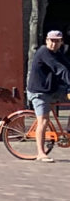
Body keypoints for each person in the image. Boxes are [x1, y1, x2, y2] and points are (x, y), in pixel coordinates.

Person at [27, 30, 70, 162]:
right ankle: (41, 153)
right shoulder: (44, 52)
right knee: (44, 121)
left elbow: (67, 66)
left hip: (52, 89)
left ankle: (68, 131)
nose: (53, 43)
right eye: (51, 40)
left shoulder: (58, 53)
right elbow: (60, 69)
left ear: (61, 42)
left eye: (57, 41)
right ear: (46, 41)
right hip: (39, 91)